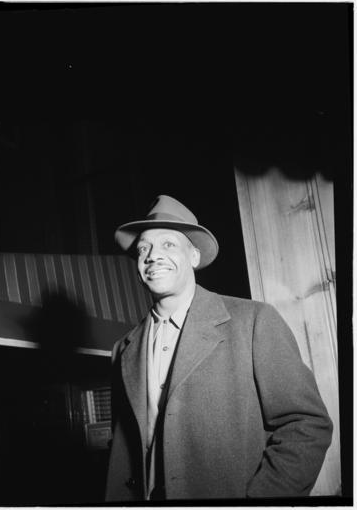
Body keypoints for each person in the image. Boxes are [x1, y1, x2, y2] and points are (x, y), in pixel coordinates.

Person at [105, 194, 333, 502]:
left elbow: (307, 425)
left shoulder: (254, 321)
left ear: (194, 257)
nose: (153, 255)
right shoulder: (123, 349)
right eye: (143, 248)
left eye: (168, 244)